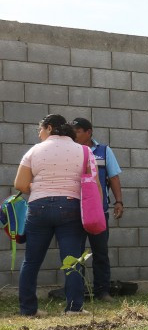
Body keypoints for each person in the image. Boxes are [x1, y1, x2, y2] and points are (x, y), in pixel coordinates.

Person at [14, 114, 97, 316]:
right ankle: (74, 308)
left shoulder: (34, 150)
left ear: (49, 128)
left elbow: (20, 185)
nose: (39, 133)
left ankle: (28, 310)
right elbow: (92, 185)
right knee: (72, 260)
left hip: (38, 207)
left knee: (31, 261)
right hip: (70, 206)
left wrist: (41, 186)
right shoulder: (85, 151)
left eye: (40, 129)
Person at [70, 117, 124, 300]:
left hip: (98, 212)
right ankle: (76, 291)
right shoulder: (70, 151)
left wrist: (119, 202)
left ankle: (102, 291)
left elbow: (114, 177)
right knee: (75, 253)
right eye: (73, 131)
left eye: (77, 131)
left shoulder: (103, 151)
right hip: (75, 211)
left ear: (89, 132)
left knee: (100, 252)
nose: (74, 134)